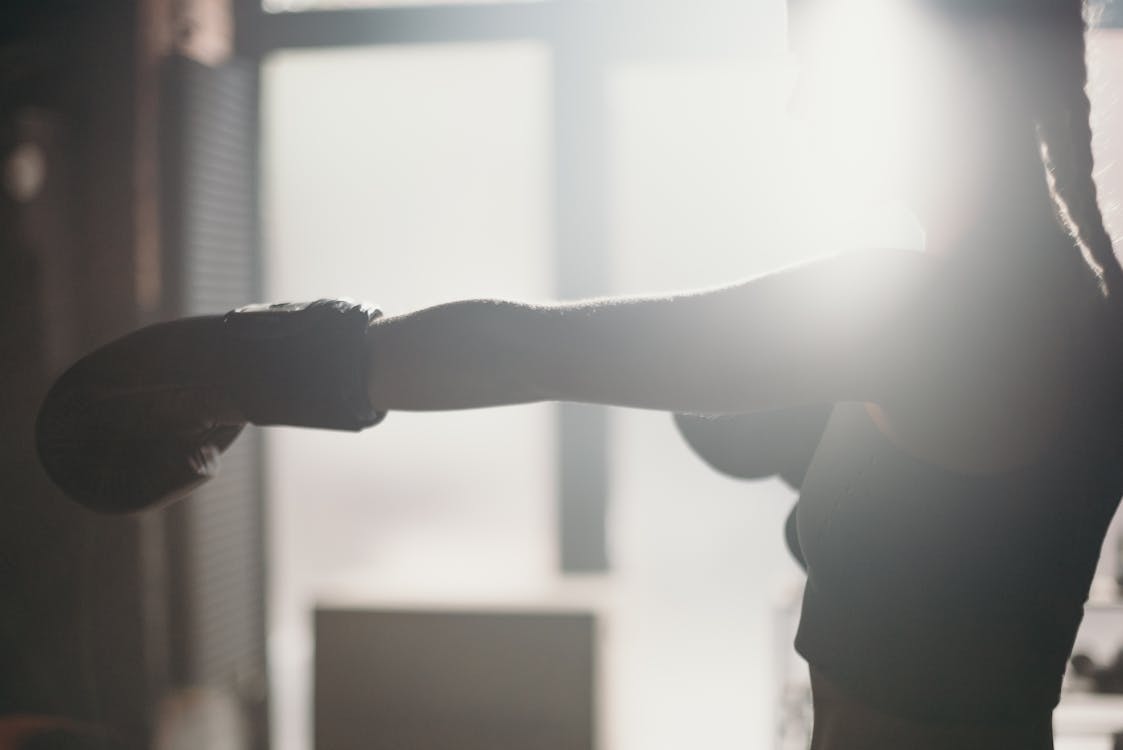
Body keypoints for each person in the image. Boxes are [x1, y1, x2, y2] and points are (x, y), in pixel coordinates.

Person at [34, 0, 1123, 747]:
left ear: (956, 71)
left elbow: (531, 348)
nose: (802, 105)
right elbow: (951, 577)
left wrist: (239, 368)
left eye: (830, 64)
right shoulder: (1070, 305)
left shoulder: (933, 312)